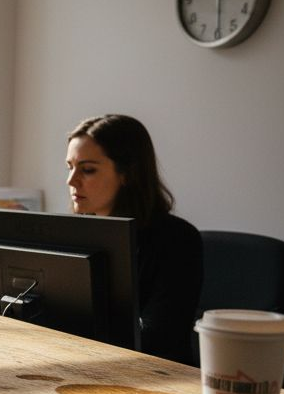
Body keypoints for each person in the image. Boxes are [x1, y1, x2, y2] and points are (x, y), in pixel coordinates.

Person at [65, 114, 202, 365]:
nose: (71, 181)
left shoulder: (178, 240)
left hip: (155, 376)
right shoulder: (77, 235)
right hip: (86, 364)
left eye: (88, 170)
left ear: (127, 173)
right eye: (69, 167)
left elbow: (158, 338)